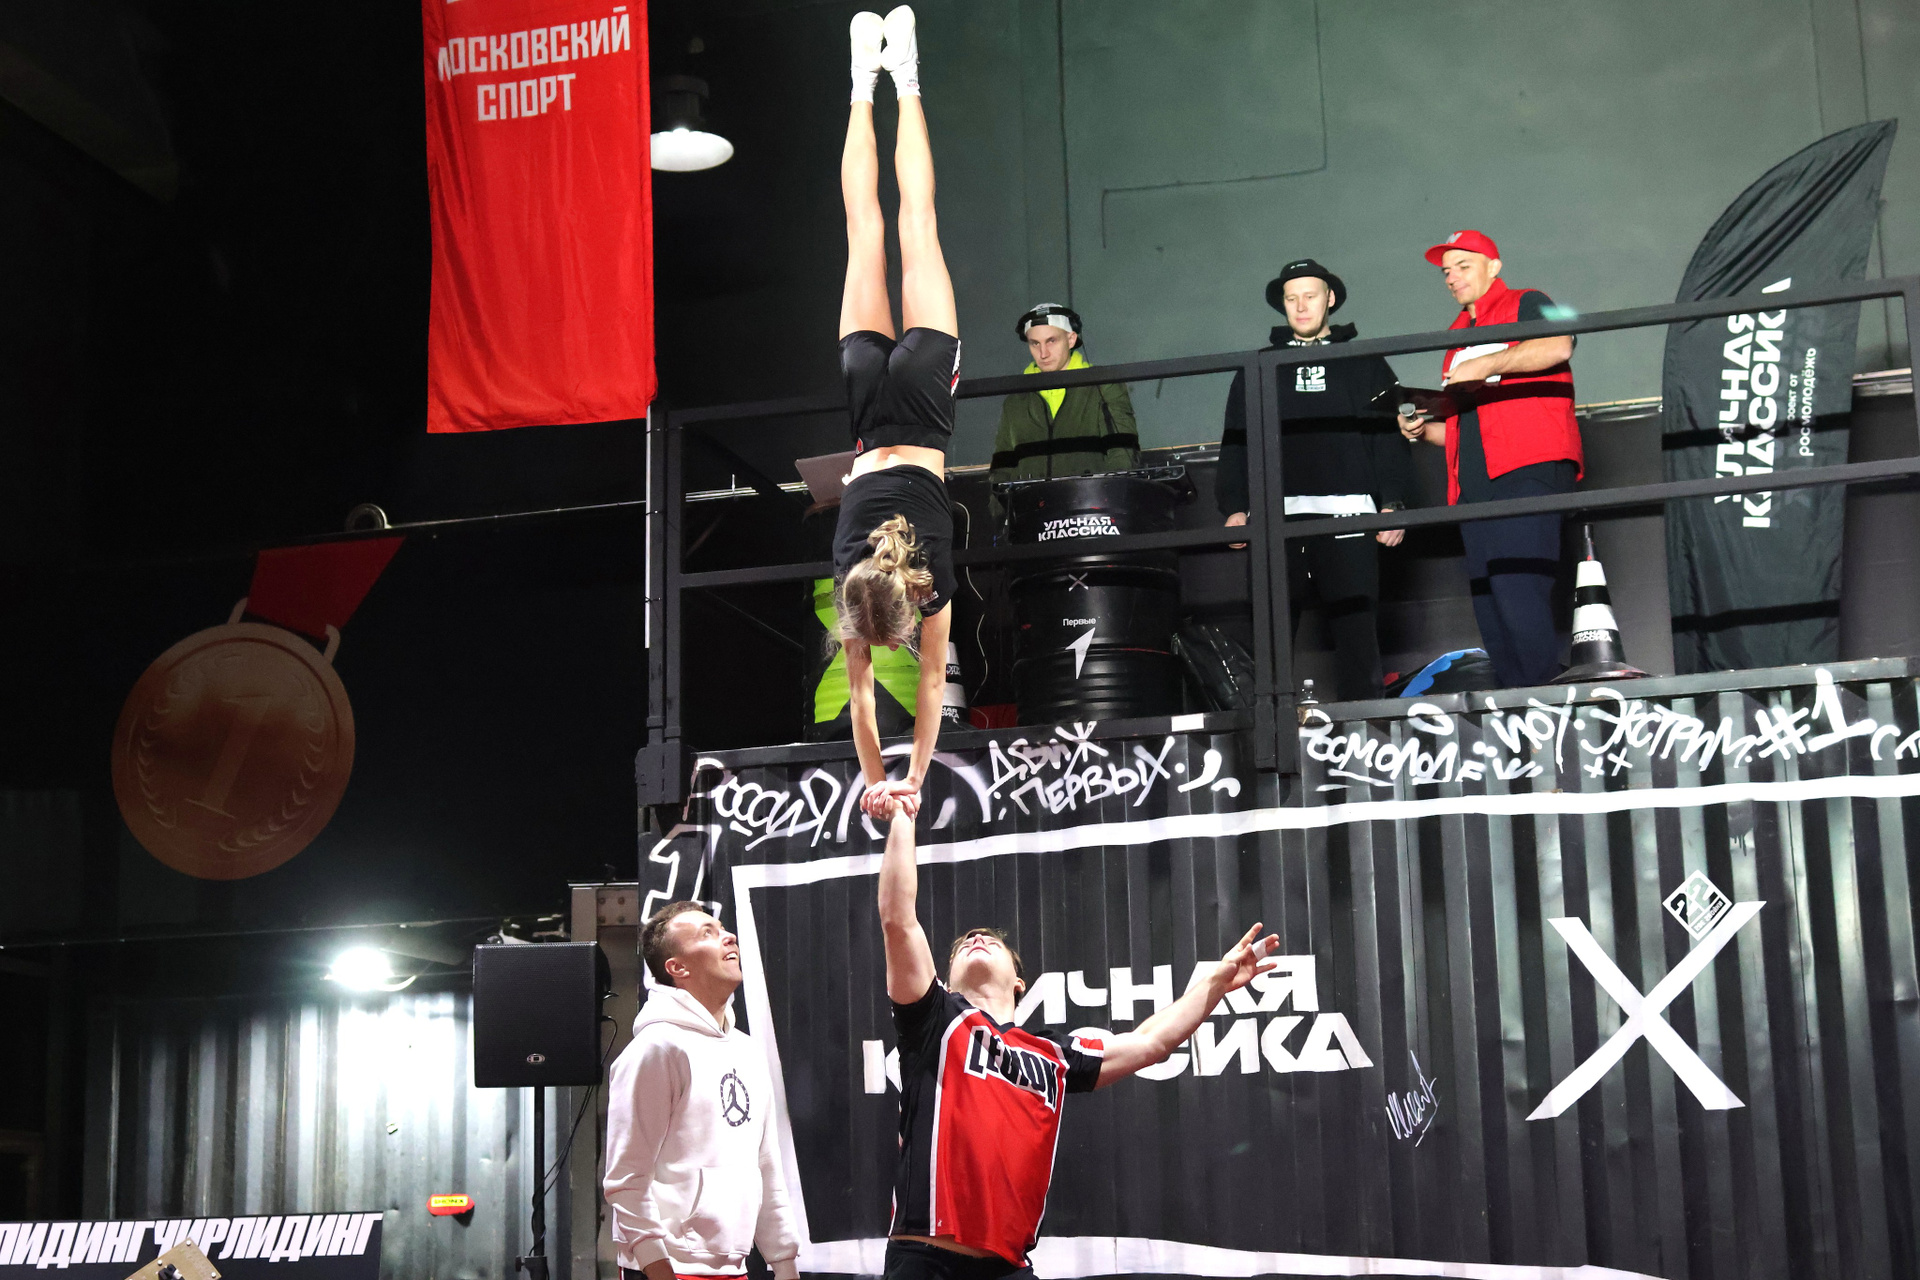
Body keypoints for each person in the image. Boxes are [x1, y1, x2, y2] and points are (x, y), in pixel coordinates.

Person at [869, 802, 1279, 1280]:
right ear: (948, 975)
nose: (976, 938)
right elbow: (898, 919)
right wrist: (904, 816)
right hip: (925, 1259)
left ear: (1019, 982)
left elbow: (1150, 1043)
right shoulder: (934, 1018)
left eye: (992, 942)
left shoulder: (1055, 1055)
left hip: (1008, 1269)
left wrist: (1214, 985)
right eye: (964, 944)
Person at [832, 5, 957, 819]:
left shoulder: (930, 585)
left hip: (922, 407)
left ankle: (906, 75)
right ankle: (861, 81)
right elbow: (860, 700)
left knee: (914, 221)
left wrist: (910, 776)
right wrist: (881, 777)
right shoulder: (850, 583)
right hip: (867, 408)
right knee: (863, 228)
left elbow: (932, 683)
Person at [1216, 259, 1413, 701]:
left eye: (1310, 295)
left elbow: (1387, 437)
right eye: (1292, 298)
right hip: (1277, 520)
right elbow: (1236, 439)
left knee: (1358, 635)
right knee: (1271, 638)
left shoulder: (1364, 361)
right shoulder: (1258, 367)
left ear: (1330, 299)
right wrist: (1234, 505)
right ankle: (1272, 734)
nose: (1301, 306)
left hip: (1350, 516)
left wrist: (1395, 502)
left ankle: (1365, 732)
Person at [1397, 230, 1583, 689]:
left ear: (1494, 267)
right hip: (1474, 485)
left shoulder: (1531, 300)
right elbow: (1468, 426)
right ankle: (1518, 707)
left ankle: (1543, 706)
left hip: (1528, 468)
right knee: (1491, 604)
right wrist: (1424, 430)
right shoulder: (1457, 334)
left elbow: (1561, 342)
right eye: (1447, 271)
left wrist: (1486, 363)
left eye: (1464, 265)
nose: (1452, 277)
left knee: (1520, 591)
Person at [604, 903, 800, 1280]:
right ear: (677, 967)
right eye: (707, 933)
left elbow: (766, 1166)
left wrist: (785, 1264)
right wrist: (657, 1266)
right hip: (669, 1268)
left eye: (723, 928)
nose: (728, 937)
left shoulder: (747, 1051)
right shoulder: (657, 1048)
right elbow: (627, 1177)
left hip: (734, 1268)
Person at [988, 303, 1139, 522]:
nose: (1043, 353)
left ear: (1071, 339)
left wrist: (1108, 509)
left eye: (1051, 341)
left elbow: (1123, 455)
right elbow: (1002, 469)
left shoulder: (1103, 385)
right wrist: (1002, 517)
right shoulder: (1015, 400)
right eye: (1035, 343)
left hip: (1091, 518)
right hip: (1032, 523)